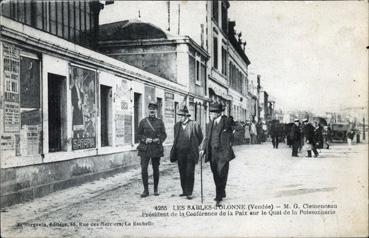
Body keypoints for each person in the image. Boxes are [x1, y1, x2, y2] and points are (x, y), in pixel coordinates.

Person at [200, 102, 235, 206]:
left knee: (222, 174)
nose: (210, 114)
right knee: (215, 174)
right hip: (213, 153)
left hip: (223, 153)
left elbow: (237, 129)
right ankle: (221, 190)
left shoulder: (226, 121)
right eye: (210, 112)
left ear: (218, 113)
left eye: (212, 112)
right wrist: (203, 149)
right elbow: (207, 138)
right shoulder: (210, 123)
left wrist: (230, 141)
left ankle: (218, 196)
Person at [170, 105, 203, 200]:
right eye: (179, 115)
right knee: (182, 172)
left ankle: (189, 192)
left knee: (189, 172)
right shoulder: (176, 126)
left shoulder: (194, 124)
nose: (179, 117)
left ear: (186, 116)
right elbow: (175, 139)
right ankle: (184, 191)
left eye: (181, 115)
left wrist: (194, 146)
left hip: (190, 153)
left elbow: (200, 137)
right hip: (180, 153)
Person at [136, 101, 167, 198]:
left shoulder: (160, 122)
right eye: (150, 109)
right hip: (145, 149)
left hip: (155, 148)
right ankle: (145, 190)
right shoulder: (143, 122)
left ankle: (155, 189)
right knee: (144, 169)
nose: (152, 110)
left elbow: (164, 134)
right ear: (148, 110)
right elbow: (138, 135)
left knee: (156, 169)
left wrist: (159, 139)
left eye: (154, 109)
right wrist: (145, 139)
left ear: (156, 110)